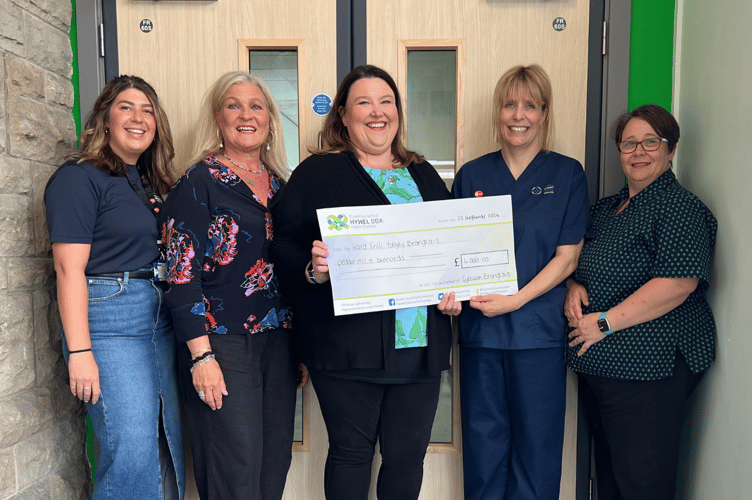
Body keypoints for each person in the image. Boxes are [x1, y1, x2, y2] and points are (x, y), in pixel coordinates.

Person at [270, 64, 461, 500]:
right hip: (347, 348)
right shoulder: (319, 173)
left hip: (418, 347)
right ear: (342, 115)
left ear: (397, 111)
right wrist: (312, 269)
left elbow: (446, 251)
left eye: (386, 101)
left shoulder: (423, 173)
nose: (377, 112)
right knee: (351, 454)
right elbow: (282, 244)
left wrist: (455, 293)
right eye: (363, 102)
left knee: (408, 458)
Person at [159, 71, 306, 500]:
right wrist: (200, 356)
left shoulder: (282, 187)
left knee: (273, 460)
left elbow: (292, 269)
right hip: (221, 342)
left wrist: (300, 347)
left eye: (256, 106)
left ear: (271, 120)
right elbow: (180, 277)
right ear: (218, 118)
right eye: (233, 105)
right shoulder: (197, 183)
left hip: (278, 343)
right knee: (233, 464)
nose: (246, 115)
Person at [451, 64, 591, 500]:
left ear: (545, 113)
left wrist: (515, 301)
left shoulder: (567, 175)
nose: (518, 115)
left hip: (538, 335)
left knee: (537, 449)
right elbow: (451, 253)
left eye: (530, 105)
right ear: (498, 111)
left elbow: (567, 258)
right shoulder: (472, 176)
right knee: (483, 447)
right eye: (509, 104)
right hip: (481, 334)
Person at [565, 104, 717, 500]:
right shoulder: (606, 209)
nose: (639, 151)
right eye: (629, 143)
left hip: (650, 371)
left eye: (651, 142)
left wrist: (603, 323)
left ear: (672, 149)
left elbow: (677, 284)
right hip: (604, 371)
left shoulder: (679, 207)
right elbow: (581, 263)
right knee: (615, 478)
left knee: (643, 483)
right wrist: (572, 287)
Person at [44, 75, 185, 500]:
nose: (138, 118)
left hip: (156, 317)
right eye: (126, 107)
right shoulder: (78, 177)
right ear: (105, 118)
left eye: (147, 110)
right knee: (130, 450)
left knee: (164, 441)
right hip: (110, 321)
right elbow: (68, 271)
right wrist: (82, 352)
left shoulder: (146, 179)